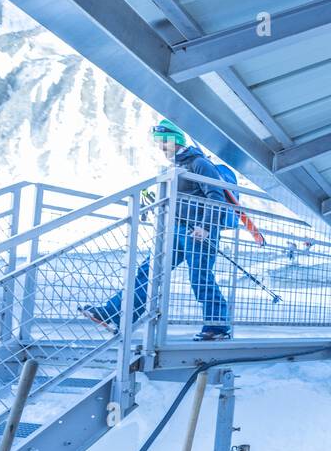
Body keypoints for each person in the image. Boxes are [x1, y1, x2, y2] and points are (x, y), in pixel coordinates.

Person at [80, 119, 233, 342]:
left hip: (198, 234)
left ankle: (218, 327)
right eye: (158, 142)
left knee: (200, 278)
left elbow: (215, 196)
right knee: (148, 272)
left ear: (175, 141)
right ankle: (116, 312)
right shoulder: (176, 166)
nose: (160, 147)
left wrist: (206, 227)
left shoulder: (199, 163)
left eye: (163, 142)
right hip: (176, 230)